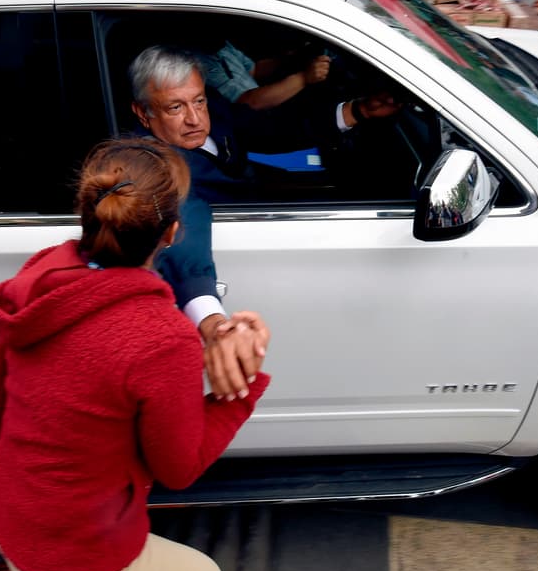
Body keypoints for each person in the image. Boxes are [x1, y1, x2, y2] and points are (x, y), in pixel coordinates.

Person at [0, 137, 270, 571]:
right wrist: (241, 386)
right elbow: (178, 468)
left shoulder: (42, 274)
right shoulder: (160, 335)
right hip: (77, 563)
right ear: (173, 232)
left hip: (7, 519)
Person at [130, 46, 397, 396]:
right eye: (176, 107)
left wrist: (357, 111)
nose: (194, 118)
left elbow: (269, 128)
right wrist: (213, 324)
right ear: (143, 113)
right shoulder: (156, 166)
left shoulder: (210, 116)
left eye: (198, 101)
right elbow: (183, 233)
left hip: (258, 190)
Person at [196, 40, 332, 110]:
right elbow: (249, 103)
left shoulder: (223, 47)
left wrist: (289, 58)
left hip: (268, 105)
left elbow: (255, 70)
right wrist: (304, 78)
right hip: (254, 122)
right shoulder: (197, 63)